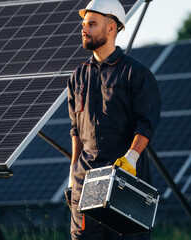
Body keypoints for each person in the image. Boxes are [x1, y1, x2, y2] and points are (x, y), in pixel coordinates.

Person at [67, 0, 161, 239]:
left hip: (124, 182)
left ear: (111, 28)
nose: (84, 29)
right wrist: (72, 175)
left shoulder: (136, 73)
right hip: (85, 183)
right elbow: (75, 131)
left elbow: (146, 123)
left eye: (92, 24)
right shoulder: (77, 77)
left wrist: (131, 158)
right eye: (84, 24)